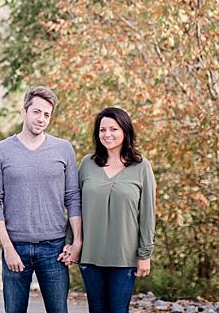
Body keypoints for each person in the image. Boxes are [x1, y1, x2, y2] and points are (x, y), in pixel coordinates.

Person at [0, 86, 82, 313]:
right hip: (15, 247)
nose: (41, 119)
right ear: (24, 112)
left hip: (54, 248)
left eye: (46, 114)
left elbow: (73, 197)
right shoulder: (0, 151)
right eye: (36, 112)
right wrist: (7, 247)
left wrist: (76, 242)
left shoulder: (63, 149)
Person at [77, 107, 155, 313]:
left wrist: (145, 254)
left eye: (114, 129)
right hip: (90, 255)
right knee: (96, 309)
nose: (107, 134)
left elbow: (147, 214)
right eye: (102, 130)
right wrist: (72, 242)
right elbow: (75, 207)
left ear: (125, 131)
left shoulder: (141, 167)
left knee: (119, 310)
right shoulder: (87, 164)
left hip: (125, 257)